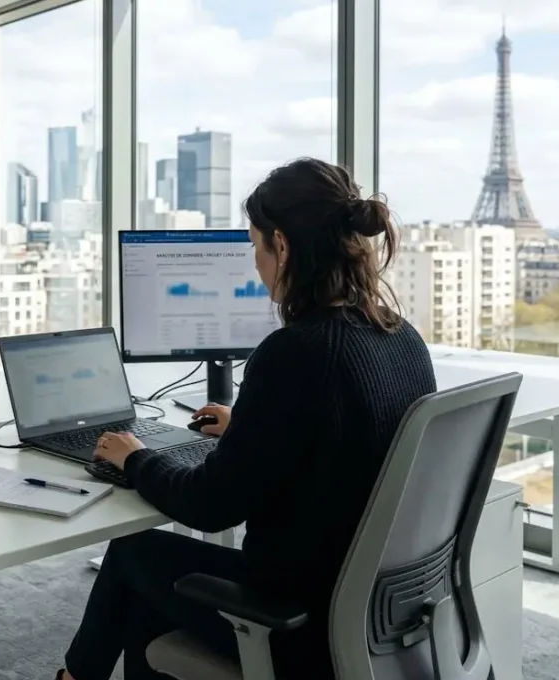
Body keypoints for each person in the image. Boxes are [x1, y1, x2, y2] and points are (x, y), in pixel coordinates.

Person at [57, 158, 438, 680]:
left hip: (298, 621)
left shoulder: (296, 352)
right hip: (379, 611)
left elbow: (209, 505)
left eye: (256, 247)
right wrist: (251, 426)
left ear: (281, 246)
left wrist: (137, 458)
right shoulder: (402, 336)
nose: (256, 266)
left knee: (132, 554)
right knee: (150, 592)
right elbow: (354, 442)